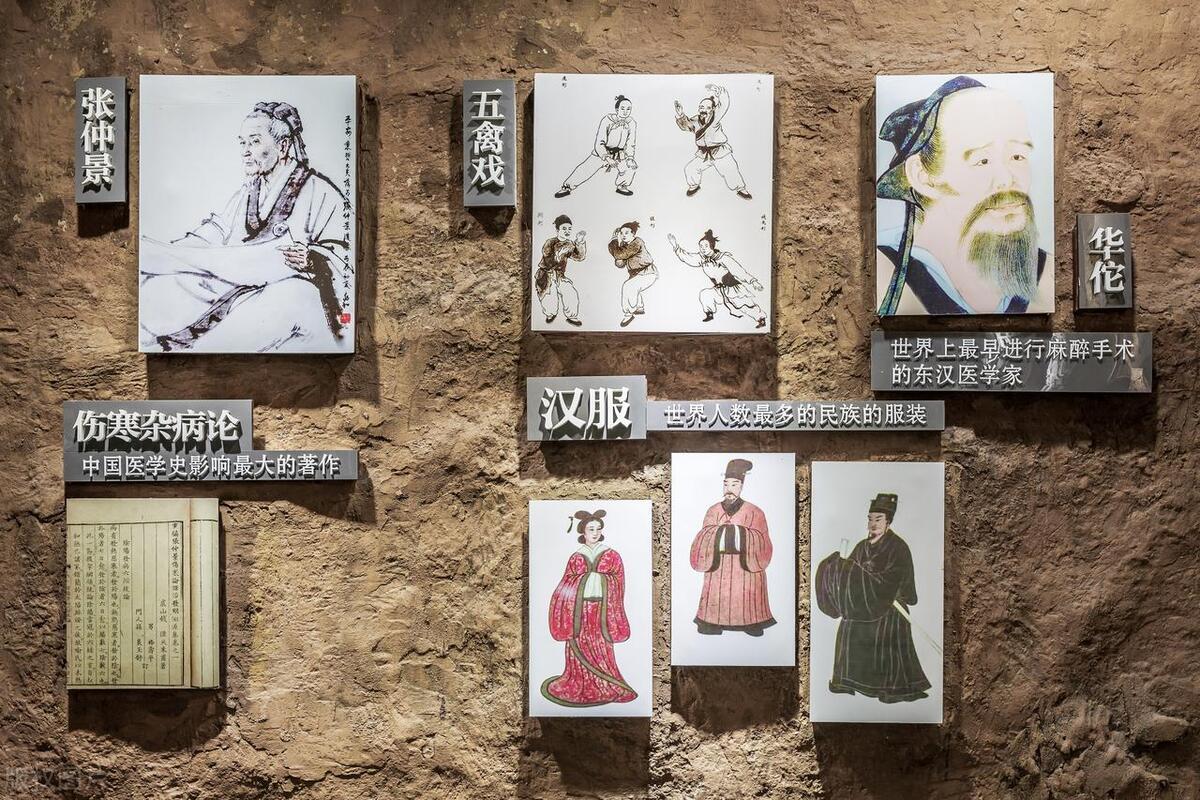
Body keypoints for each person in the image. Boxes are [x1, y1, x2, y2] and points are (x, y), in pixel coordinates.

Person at [139, 101, 350, 352]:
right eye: (243, 143)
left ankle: (197, 349)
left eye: (255, 142)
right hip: (242, 286)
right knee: (158, 287)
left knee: (292, 294)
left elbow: (345, 257)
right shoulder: (250, 191)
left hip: (292, 296)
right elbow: (214, 231)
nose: (246, 151)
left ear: (283, 146)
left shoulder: (320, 191)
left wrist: (312, 259)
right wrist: (170, 253)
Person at [876, 76, 1051, 316]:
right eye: (983, 161)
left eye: (1017, 156)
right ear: (922, 176)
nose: (1007, 179)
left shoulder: (1046, 273)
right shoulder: (883, 270)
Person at [814, 493, 931, 703]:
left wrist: (864, 578)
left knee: (885, 630)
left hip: (888, 605)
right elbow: (849, 577)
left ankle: (888, 688)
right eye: (870, 519)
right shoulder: (862, 546)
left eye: (878, 519)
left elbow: (893, 579)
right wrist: (839, 568)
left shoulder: (898, 547)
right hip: (863, 603)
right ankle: (846, 681)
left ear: (888, 522)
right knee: (848, 623)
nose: (873, 523)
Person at [542, 510, 638, 707]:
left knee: (601, 648)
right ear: (583, 532)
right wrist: (585, 579)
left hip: (602, 611)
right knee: (579, 645)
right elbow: (567, 583)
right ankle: (578, 683)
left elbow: (618, 581)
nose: (595, 533)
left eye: (598, 529)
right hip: (579, 611)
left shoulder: (612, 555)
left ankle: (607, 685)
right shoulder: (576, 557)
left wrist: (597, 578)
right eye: (591, 529)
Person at [690, 459, 775, 636]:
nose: (729, 489)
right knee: (716, 596)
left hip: (745, 567)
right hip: (718, 566)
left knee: (747, 597)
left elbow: (763, 541)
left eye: (734, 484)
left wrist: (739, 533)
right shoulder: (713, 510)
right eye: (726, 484)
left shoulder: (754, 511)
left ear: (741, 486)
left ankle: (751, 623)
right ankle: (711, 623)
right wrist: (718, 532)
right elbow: (704, 535)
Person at [668, 229, 766, 328]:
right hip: (719, 290)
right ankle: (709, 314)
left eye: (706, 246)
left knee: (744, 305)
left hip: (733, 288)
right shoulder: (702, 259)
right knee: (705, 294)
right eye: (701, 246)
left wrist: (753, 282)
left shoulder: (723, 258)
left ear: (711, 246)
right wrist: (675, 246)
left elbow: (739, 271)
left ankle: (761, 319)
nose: (703, 248)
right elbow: (688, 258)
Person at [673, 84, 751, 199]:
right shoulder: (696, 120)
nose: (703, 110)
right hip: (704, 153)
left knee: (731, 170)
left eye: (707, 108)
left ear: (713, 109)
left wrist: (719, 92)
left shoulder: (715, 117)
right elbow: (686, 126)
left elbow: (724, 104)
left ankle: (740, 189)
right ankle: (694, 185)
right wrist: (680, 115)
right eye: (701, 107)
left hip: (720, 152)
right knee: (690, 168)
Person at [554, 95, 638, 198]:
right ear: (617, 109)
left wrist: (630, 158)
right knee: (586, 169)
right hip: (603, 152)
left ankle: (622, 186)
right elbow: (599, 142)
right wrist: (607, 158)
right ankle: (567, 187)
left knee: (630, 167)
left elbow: (630, 143)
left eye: (628, 109)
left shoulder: (631, 123)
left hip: (619, 154)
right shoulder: (607, 120)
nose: (625, 111)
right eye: (622, 108)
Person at [536, 214, 587, 326]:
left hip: (560, 275)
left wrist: (579, 242)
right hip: (546, 274)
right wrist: (560, 253)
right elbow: (547, 259)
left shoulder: (570, 244)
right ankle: (550, 314)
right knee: (549, 295)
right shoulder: (550, 242)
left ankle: (572, 316)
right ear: (557, 230)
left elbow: (579, 257)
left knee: (570, 292)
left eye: (569, 229)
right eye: (564, 228)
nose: (567, 231)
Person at [608, 221, 657, 327]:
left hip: (647, 272)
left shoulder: (637, 242)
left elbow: (620, 254)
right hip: (636, 274)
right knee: (633, 285)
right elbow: (620, 263)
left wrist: (614, 241)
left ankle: (628, 314)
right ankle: (639, 308)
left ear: (633, 234)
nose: (623, 235)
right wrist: (619, 258)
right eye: (621, 233)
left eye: (626, 233)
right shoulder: (625, 246)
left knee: (628, 286)